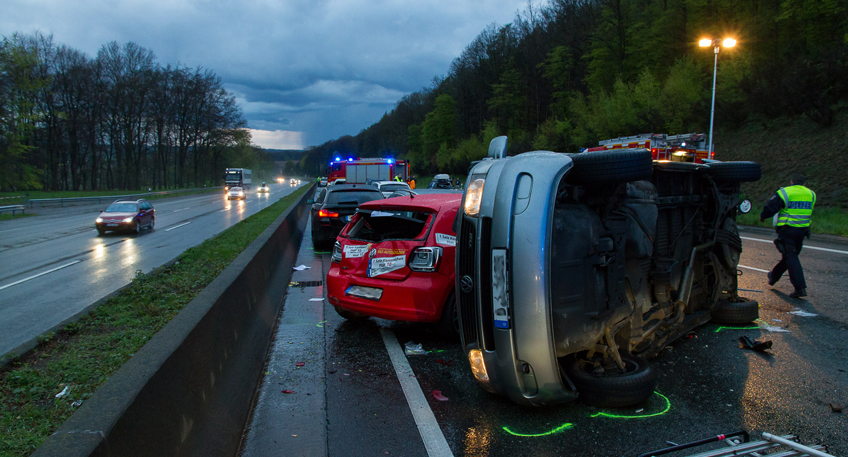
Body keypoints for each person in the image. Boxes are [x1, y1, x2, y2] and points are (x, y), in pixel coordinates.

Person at [760, 173, 816, 298]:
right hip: (802, 231)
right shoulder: (811, 194)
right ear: (804, 184)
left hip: (787, 230)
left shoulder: (785, 192)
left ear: (792, 182)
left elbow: (771, 207)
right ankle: (773, 276)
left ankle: (800, 287)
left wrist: (763, 216)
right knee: (790, 256)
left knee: (791, 257)